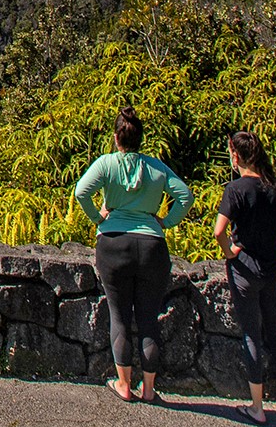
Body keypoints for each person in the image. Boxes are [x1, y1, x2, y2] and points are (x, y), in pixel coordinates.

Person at [71, 107, 192, 404]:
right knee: (149, 317)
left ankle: (124, 384)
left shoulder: (106, 164)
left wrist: (99, 219)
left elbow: (81, 192)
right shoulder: (156, 168)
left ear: (115, 138)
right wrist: (166, 220)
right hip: (151, 244)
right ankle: (149, 389)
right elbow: (185, 196)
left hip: (113, 243)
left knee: (120, 315)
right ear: (141, 139)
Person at [216, 130, 276, 422]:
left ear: (236, 155)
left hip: (245, 269)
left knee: (252, 334)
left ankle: (257, 406)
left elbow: (218, 231)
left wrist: (231, 253)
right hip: (273, 269)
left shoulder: (236, 189)